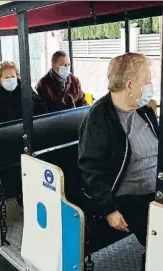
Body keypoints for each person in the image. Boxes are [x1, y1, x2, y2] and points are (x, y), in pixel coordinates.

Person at [78, 53, 157, 270]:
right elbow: (90, 169)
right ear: (130, 85)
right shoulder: (100, 118)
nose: (151, 86)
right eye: (148, 81)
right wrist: (109, 209)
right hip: (130, 197)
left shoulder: (144, 110)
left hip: (156, 189)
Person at [0, 61, 46, 125]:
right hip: (7, 132)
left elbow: (40, 105)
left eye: (13, 76)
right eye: (6, 78)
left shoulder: (24, 87)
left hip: (31, 127)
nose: (10, 80)